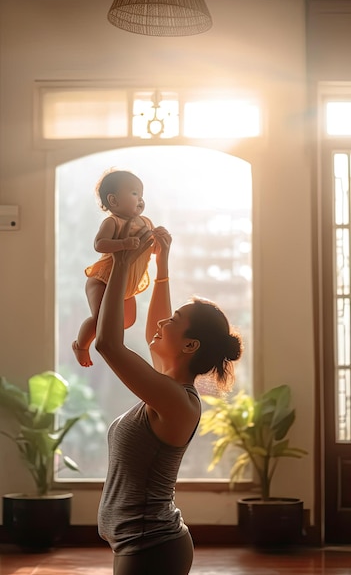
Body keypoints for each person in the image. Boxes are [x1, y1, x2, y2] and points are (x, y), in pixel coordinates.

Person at [94, 221, 243, 575]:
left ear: (191, 345)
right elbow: (152, 328)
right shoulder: (167, 386)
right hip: (139, 543)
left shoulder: (178, 401)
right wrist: (161, 266)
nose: (162, 323)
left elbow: (108, 343)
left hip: (152, 547)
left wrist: (122, 263)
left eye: (173, 321)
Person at [72, 169, 154, 367]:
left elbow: (149, 246)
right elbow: (99, 244)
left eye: (141, 195)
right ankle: (81, 346)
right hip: (103, 279)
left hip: (126, 282)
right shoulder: (113, 222)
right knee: (102, 319)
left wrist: (159, 242)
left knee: (125, 322)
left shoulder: (145, 222)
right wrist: (123, 244)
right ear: (114, 201)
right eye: (134, 194)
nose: (140, 199)